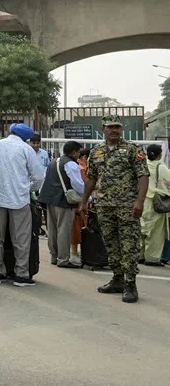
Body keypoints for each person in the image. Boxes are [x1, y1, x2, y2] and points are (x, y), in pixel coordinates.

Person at [81, 116, 149, 303]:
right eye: (111, 127)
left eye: (117, 127)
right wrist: (84, 201)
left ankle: (130, 283)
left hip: (127, 205)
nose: (115, 130)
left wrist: (139, 201)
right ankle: (118, 278)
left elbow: (143, 176)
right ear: (103, 129)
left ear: (122, 129)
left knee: (129, 244)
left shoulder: (132, 149)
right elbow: (90, 178)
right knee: (110, 243)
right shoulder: (96, 151)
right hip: (104, 205)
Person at [0, 123, 45, 287]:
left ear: (10, 131)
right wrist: (29, 189)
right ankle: (21, 275)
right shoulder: (26, 150)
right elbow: (39, 176)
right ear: (26, 137)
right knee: (21, 239)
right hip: (19, 200)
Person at [37, 141, 86, 268]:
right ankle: (63, 259)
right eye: (78, 152)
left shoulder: (54, 161)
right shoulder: (71, 164)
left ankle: (54, 256)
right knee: (64, 231)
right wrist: (87, 198)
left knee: (52, 230)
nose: (79, 155)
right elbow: (78, 185)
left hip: (50, 199)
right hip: (64, 201)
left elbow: (44, 179)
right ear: (74, 152)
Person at [141, 144, 170, 267]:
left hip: (142, 201)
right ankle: (152, 258)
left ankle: (139, 255)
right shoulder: (161, 167)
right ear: (160, 154)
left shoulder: (143, 165)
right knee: (156, 232)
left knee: (142, 229)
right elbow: (167, 184)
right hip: (156, 202)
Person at [70, 148, 91, 263]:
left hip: (80, 202)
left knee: (77, 227)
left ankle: (75, 252)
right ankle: (74, 253)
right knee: (78, 228)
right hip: (81, 202)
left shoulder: (77, 166)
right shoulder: (81, 168)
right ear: (84, 157)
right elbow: (84, 186)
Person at [30, 133, 50, 238]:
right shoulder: (27, 153)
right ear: (30, 143)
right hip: (32, 184)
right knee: (35, 207)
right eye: (34, 143)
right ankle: (36, 229)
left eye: (38, 143)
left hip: (43, 184)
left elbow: (48, 166)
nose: (36, 145)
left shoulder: (44, 153)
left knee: (45, 207)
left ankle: (48, 229)